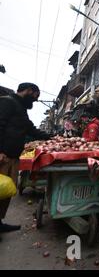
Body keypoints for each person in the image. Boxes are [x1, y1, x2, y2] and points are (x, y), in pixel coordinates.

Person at [0, 83, 51, 234]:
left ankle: (0, 223)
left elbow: (31, 129)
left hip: (13, 158)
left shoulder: (21, 109)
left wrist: (52, 137)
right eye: (35, 96)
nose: (35, 101)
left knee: (5, 192)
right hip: (3, 157)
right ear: (28, 91)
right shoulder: (7, 102)